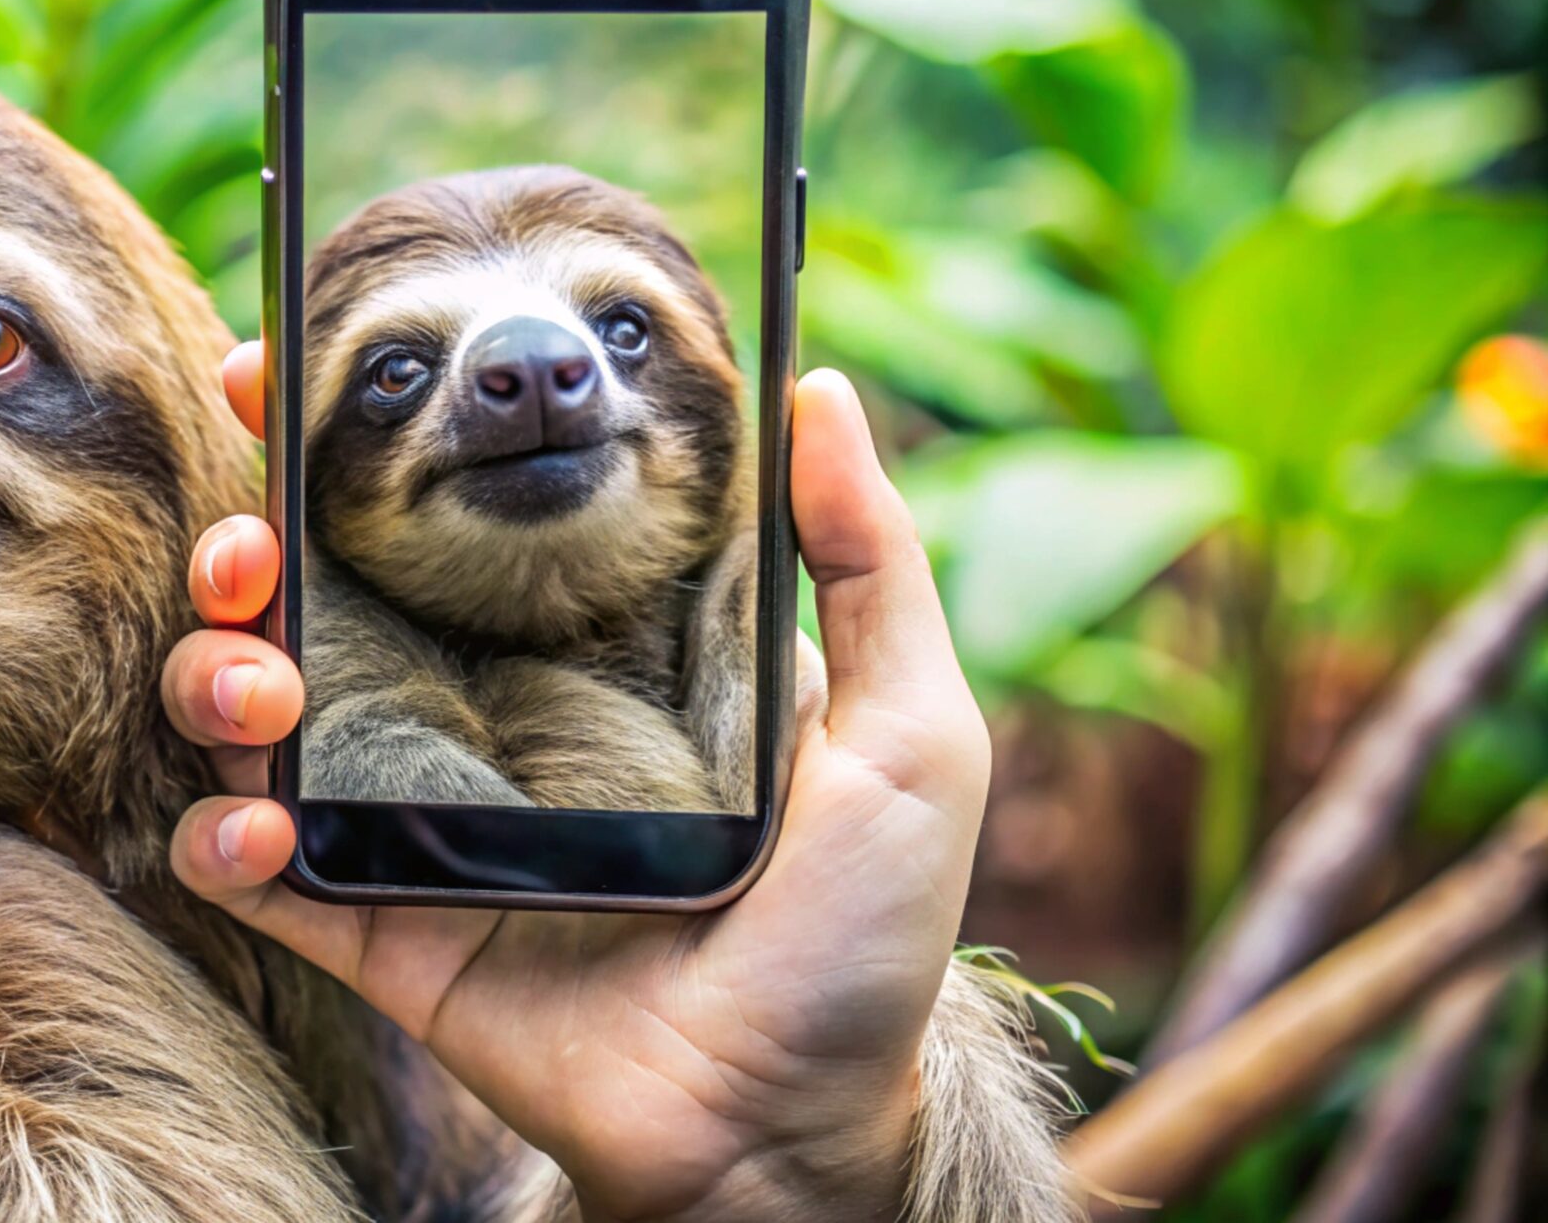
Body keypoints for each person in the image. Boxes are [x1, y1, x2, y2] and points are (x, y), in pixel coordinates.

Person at [161, 344, 1002, 1221]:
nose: (534, 371)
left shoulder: (754, 682)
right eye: (396, 374)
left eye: (627, 332)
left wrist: (807, 1146)